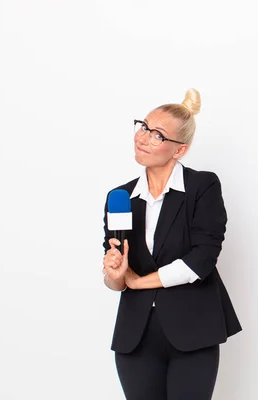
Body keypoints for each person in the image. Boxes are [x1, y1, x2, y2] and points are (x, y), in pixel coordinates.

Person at [101, 88, 241, 400]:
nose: (143, 137)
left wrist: (138, 283)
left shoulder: (202, 186)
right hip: (135, 337)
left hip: (193, 332)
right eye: (143, 127)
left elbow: (201, 260)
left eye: (157, 135)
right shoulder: (120, 198)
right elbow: (118, 280)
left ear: (179, 150)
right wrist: (115, 274)